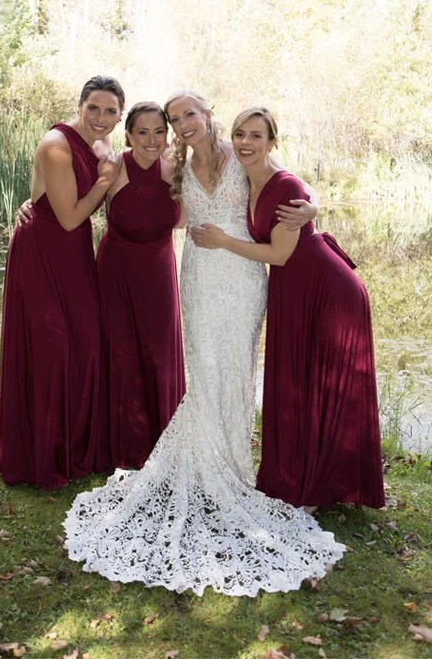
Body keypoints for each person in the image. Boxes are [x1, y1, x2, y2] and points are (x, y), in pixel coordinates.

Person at [63, 92, 341, 595]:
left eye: (189, 114)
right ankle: (204, 464)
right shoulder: (174, 166)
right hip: (196, 276)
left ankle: (234, 465)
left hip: (242, 277)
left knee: (235, 367)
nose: (182, 124)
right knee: (204, 366)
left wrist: (315, 205)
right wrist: (32, 203)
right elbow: (122, 195)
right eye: (174, 119)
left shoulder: (242, 154)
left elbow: (290, 185)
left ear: (207, 115)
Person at [191, 107, 385, 509]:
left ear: (272, 143)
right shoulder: (247, 176)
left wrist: (223, 241)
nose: (245, 143)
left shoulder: (281, 184)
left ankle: (328, 484)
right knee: (299, 380)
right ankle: (307, 475)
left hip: (326, 289)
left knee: (323, 380)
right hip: (293, 289)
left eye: (256, 136)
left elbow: (279, 254)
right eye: (240, 134)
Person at [0, 75, 124, 488]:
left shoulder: (97, 145)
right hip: (44, 254)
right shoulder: (56, 145)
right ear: (80, 106)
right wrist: (105, 179)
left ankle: (74, 446)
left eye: (110, 111)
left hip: (75, 256)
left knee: (85, 343)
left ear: (119, 115)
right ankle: (38, 456)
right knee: (53, 349)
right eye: (94, 108)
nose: (101, 118)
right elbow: (69, 217)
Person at [95, 101, 185, 470]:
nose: (152, 140)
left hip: (159, 272)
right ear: (128, 134)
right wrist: (28, 204)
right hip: (116, 273)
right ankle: (120, 444)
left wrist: (309, 207)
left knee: (159, 354)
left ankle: (165, 442)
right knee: (120, 353)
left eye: (159, 131)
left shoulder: (178, 169)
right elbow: (67, 198)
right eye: (143, 132)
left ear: (168, 134)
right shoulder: (113, 167)